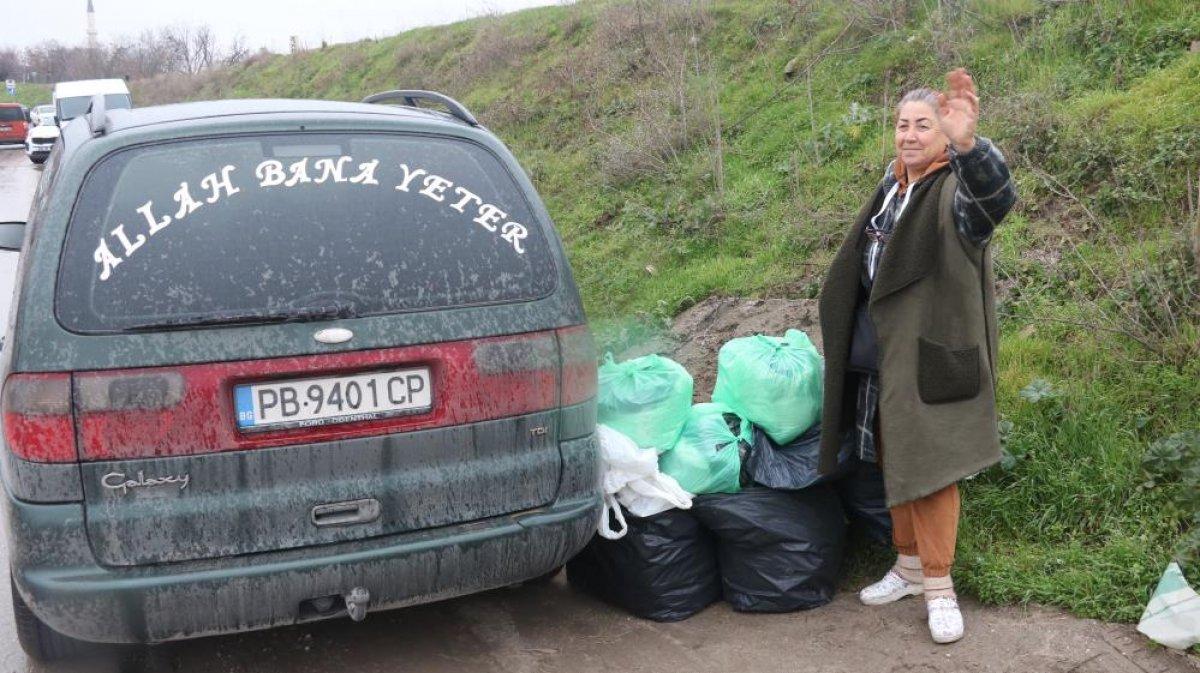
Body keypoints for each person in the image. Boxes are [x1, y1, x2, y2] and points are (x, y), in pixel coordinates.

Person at [816, 68, 1016, 644]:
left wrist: (970, 147)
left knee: (933, 468)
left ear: (943, 132)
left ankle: (939, 586)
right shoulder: (892, 186)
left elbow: (996, 199)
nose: (909, 135)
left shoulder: (955, 190)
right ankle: (907, 567)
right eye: (902, 124)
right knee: (894, 456)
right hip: (886, 354)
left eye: (923, 125)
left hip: (931, 354)